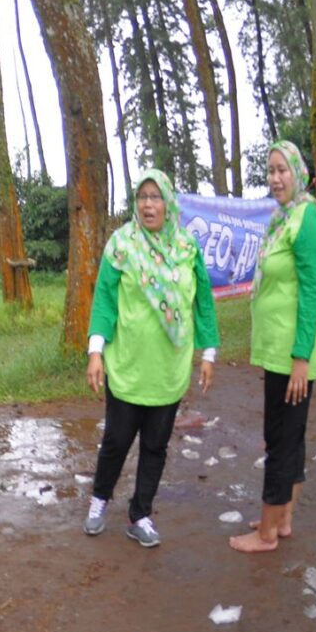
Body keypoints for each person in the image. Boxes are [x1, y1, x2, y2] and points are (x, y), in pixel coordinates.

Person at [82, 170, 219, 548]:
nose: (148, 204)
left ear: (169, 203)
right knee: (116, 440)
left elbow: (203, 302)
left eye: (156, 197)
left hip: (168, 369)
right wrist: (96, 352)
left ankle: (139, 514)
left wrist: (208, 353)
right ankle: (99, 500)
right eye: (142, 196)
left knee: (156, 445)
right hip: (128, 366)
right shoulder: (121, 245)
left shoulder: (187, 248)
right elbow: (105, 301)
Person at [232, 140, 316, 553]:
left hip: (294, 352)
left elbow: (311, 291)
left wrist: (300, 359)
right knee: (290, 435)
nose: (275, 178)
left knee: (279, 439)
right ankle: (282, 518)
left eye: (282, 170)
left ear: (298, 172)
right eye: (270, 170)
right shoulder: (284, 217)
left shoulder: (307, 218)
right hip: (279, 350)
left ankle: (266, 534)